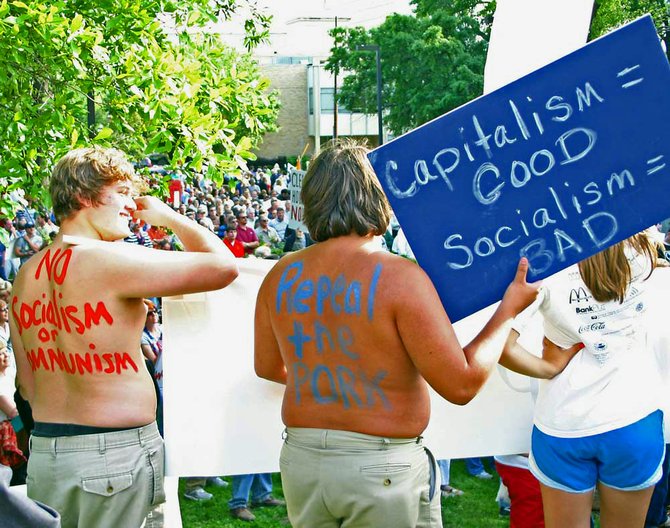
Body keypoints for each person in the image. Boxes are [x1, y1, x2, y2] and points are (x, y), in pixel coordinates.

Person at [254, 141, 539, 528]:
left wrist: (333, 383)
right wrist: (509, 311)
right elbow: (461, 385)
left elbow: (269, 367)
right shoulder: (399, 277)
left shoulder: (280, 275)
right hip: (379, 465)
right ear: (379, 196)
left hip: (302, 459)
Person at [10, 146, 239, 528]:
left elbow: (28, 385)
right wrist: (168, 217)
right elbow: (224, 265)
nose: (130, 204)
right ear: (84, 195)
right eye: (121, 192)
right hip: (113, 457)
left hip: (49, 455)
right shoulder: (106, 260)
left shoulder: (25, 276)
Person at [500, 232, 665, 528]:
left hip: (563, 424)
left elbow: (500, 346)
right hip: (633, 420)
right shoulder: (641, 253)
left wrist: (548, 367)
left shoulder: (542, 267)